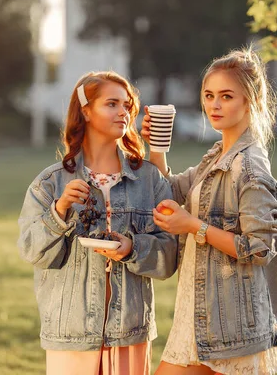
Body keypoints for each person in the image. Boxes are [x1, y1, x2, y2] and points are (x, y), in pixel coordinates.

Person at [17, 71, 178, 375]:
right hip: (71, 334)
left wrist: (133, 249)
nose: (124, 112)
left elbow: (169, 258)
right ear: (86, 111)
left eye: (127, 105)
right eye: (112, 104)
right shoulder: (50, 183)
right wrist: (60, 209)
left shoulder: (149, 179)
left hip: (130, 333)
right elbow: (32, 252)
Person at [141, 47, 277, 375]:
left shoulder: (249, 167)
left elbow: (258, 248)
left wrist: (194, 225)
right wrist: (157, 148)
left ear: (250, 101)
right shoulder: (218, 156)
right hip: (202, 314)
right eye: (209, 95)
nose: (214, 105)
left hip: (231, 324)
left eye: (226, 96)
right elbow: (168, 190)